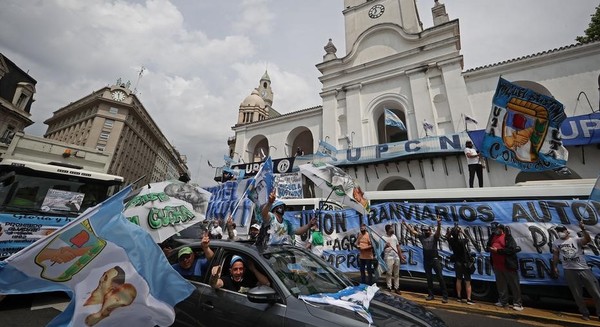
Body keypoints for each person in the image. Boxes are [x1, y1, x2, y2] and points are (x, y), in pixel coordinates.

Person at [552, 222, 600, 321]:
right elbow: (556, 255)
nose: (560, 233)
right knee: (577, 294)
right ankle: (584, 313)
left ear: (567, 231)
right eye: (558, 231)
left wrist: (583, 229)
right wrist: (555, 267)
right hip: (569, 270)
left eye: (562, 231)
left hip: (583, 269)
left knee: (595, 292)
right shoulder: (556, 243)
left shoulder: (575, 240)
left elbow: (587, 240)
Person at [403, 218, 448, 303]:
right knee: (429, 278)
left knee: (440, 278)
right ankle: (431, 295)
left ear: (430, 231)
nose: (425, 232)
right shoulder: (422, 237)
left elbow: (438, 232)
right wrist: (405, 225)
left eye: (427, 230)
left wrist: (439, 224)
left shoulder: (434, 237)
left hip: (435, 260)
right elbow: (413, 232)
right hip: (426, 261)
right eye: (424, 231)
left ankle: (445, 296)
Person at [486, 222, 523, 311]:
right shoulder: (492, 236)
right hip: (497, 265)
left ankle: (518, 303)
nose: (494, 231)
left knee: (514, 285)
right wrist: (489, 248)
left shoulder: (508, 237)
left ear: (501, 229)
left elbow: (511, 250)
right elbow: (487, 245)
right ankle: (503, 301)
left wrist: (498, 251)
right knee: (501, 285)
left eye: (496, 229)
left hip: (508, 265)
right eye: (493, 230)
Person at [446, 225, 475, 305]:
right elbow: (467, 238)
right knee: (468, 282)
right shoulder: (462, 241)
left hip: (457, 263)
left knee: (458, 280)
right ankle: (468, 299)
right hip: (465, 263)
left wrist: (451, 233)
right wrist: (462, 232)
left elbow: (447, 237)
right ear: (458, 233)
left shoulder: (451, 241)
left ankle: (459, 297)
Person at [382, 224, 404, 294]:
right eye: (391, 229)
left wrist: (401, 256)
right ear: (387, 230)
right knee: (389, 273)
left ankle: (397, 287)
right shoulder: (383, 237)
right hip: (388, 257)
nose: (392, 230)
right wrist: (385, 246)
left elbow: (398, 247)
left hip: (396, 256)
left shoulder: (394, 236)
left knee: (396, 274)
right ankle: (389, 287)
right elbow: (380, 249)